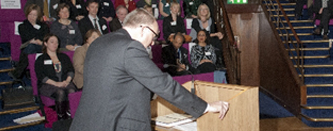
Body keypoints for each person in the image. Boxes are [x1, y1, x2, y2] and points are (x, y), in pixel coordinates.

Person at [70, 9, 229, 130]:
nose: (153, 43)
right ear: (143, 29)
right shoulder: (130, 47)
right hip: (116, 125)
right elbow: (163, 84)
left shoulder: (99, 42)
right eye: (154, 36)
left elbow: (119, 82)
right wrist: (206, 107)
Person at [35, 34, 76, 120]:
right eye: (52, 42)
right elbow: (41, 76)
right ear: (45, 43)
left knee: (71, 90)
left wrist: (67, 81)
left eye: (56, 42)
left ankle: (71, 115)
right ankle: (61, 117)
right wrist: (56, 83)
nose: (55, 44)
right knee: (60, 92)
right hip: (48, 84)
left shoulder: (64, 57)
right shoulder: (41, 59)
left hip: (65, 82)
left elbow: (70, 70)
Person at [9, 4, 49, 80]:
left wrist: (38, 41)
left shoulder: (44, 26)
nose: (32, 17)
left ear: (38, 16)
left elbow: (45, 38)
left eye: (34, 15)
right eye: (30, 14)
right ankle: (24, 71)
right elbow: (27, 38)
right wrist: (37, 40)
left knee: (31, 47)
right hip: (28, 46)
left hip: (42, 46)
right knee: (30, 46)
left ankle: (18, 71)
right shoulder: (22, 26)